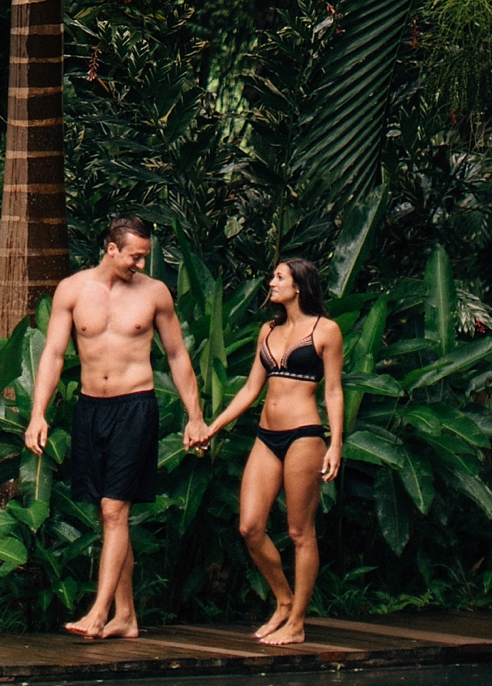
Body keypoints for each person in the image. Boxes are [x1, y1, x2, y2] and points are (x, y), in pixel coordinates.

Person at [24, 217, 209, 639]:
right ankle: (126, 616)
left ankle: (100, 611)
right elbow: (53, 354)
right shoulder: (72, 290)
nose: (141, 264)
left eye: (145, 255)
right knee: (108, 518)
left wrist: (194, 415)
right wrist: (39, 413)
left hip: (134, 408)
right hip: (91, 409)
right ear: (111, 249)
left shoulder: (155, 294)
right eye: (135, 256)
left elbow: (178, 355)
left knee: (114, 511)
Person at [197, 255, 345, 645]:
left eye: (279, 277)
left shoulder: (326, 330)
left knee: (299, 532)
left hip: (304, 435)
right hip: (267, 435)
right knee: (249, 526)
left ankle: (297, 623)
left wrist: (336, 443)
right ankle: (283, 600)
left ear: (299, 286)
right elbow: (250, 389)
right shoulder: (267, 331)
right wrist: (212, 426)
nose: (271, 282)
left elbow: (333, 390)